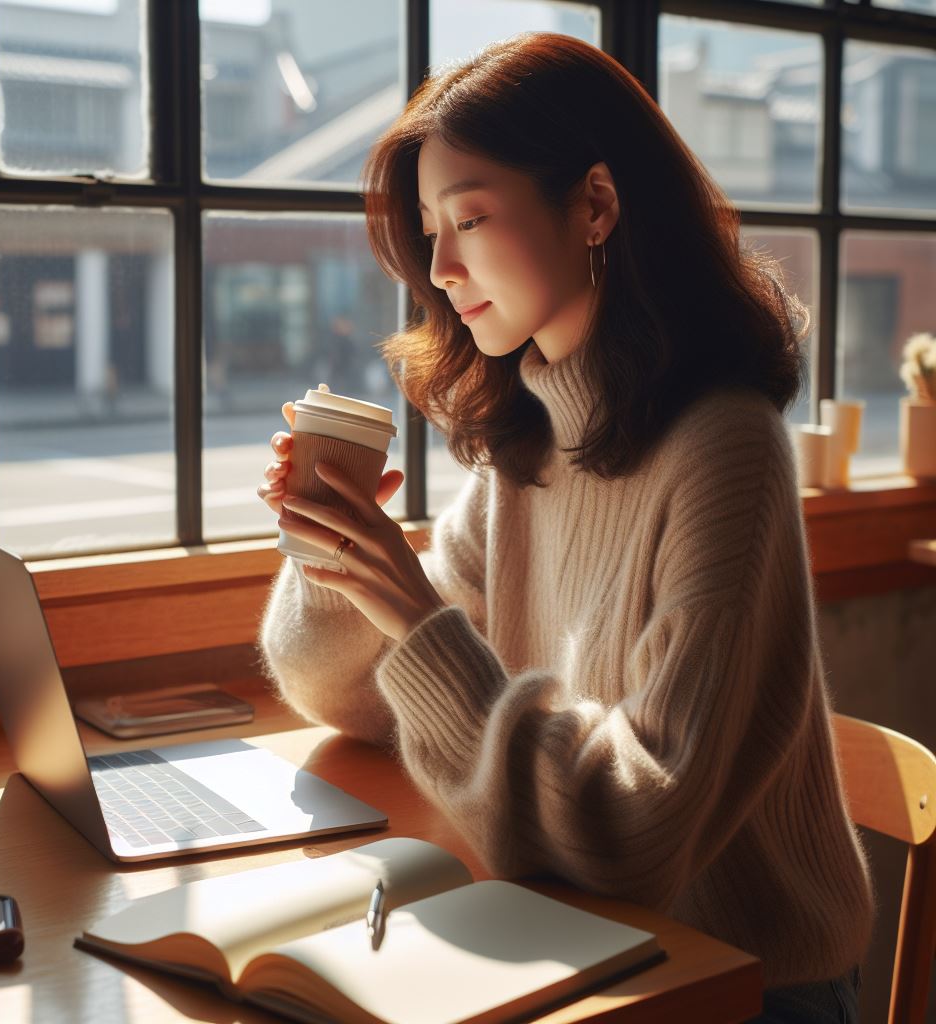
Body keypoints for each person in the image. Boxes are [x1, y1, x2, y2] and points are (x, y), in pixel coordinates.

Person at [256, 33, 873, 1023]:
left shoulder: (726, 449)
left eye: (470, 217)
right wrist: (337, 552)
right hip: (585, 937)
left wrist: (415, 618)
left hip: (735, 977)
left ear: (593, 204)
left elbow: (636, 834)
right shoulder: (529, 447)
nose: (440, 265)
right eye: (427, 228)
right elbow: (346, 695)